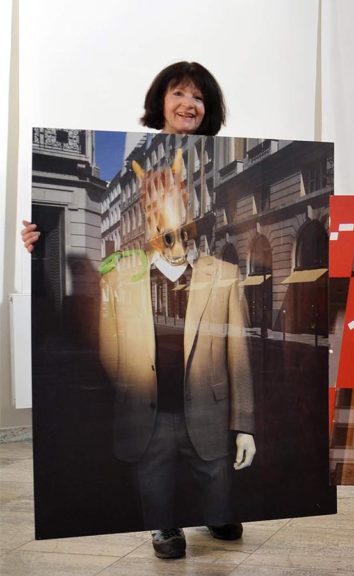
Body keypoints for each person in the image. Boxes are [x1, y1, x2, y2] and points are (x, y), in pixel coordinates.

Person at [22, 61, 251, 561]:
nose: (189, 104)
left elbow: (238, 353)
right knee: (155, 467)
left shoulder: (218, 263)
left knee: (211, 466)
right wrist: (36, 245)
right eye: (179, 94)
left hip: (203, 399)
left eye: (199, 97)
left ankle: (214, 514)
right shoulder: (121, 268)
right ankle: (164, 526)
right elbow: (90, 321)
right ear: (161, 101)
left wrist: (246, 420)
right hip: (147, 397)